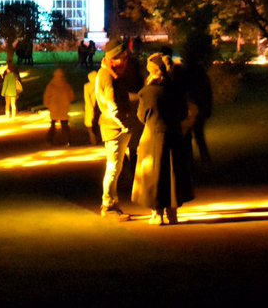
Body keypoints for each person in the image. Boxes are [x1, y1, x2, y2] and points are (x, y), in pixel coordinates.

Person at [132, 53, 196, 225]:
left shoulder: (147, 92)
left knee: (155, 173)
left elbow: (141, 116)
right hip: (174, 135)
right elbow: (183, 113)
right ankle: (172, 212)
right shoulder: (176, 89)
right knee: (173, 171)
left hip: (153, 135)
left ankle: (157, 212)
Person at [96, 41, 135, 219]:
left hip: (116, 126)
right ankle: (108, 204)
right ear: (113, 59)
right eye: (122, 59)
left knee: (116, 168)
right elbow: (111, 105)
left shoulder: (110, 74)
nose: (125, 62)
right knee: (112, 168)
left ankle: (113, 202)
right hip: (114, 128)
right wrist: (123, 124)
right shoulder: (106, 76)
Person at [43, 68, 76, 145]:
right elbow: (71, 96)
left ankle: (49, 140)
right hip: (64, 108)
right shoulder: (66, 85)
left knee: (53, 125)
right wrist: (68, 102)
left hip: (54, 108)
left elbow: (47, 96)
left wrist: (48, 105)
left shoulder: (51, 85)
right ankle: (67, 140)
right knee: (64, 125)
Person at [82, 70, 100, 144]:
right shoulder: (100, 85)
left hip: (91, 108)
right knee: (96, 124)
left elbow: (87, 98)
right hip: (98, 108)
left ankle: (93, 140)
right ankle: (95, 139)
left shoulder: (87, 86)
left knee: (90, 125)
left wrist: (89, 106)